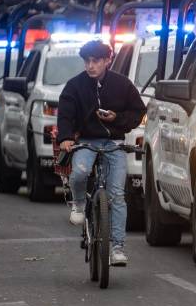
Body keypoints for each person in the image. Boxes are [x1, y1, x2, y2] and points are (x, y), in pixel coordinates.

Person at [56, 40, 146, 266]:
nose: (90, 66)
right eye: (87, 61)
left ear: (108, 60)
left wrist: (118, 119)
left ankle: (117, 248)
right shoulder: (74, 86)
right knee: (79, 174)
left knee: (117, 195)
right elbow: (65, 114)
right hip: (86, 142)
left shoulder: (123, 85)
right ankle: (78, 204)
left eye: (95, 61)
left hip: (115, 143)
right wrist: (66, 137)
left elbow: (138, 112)